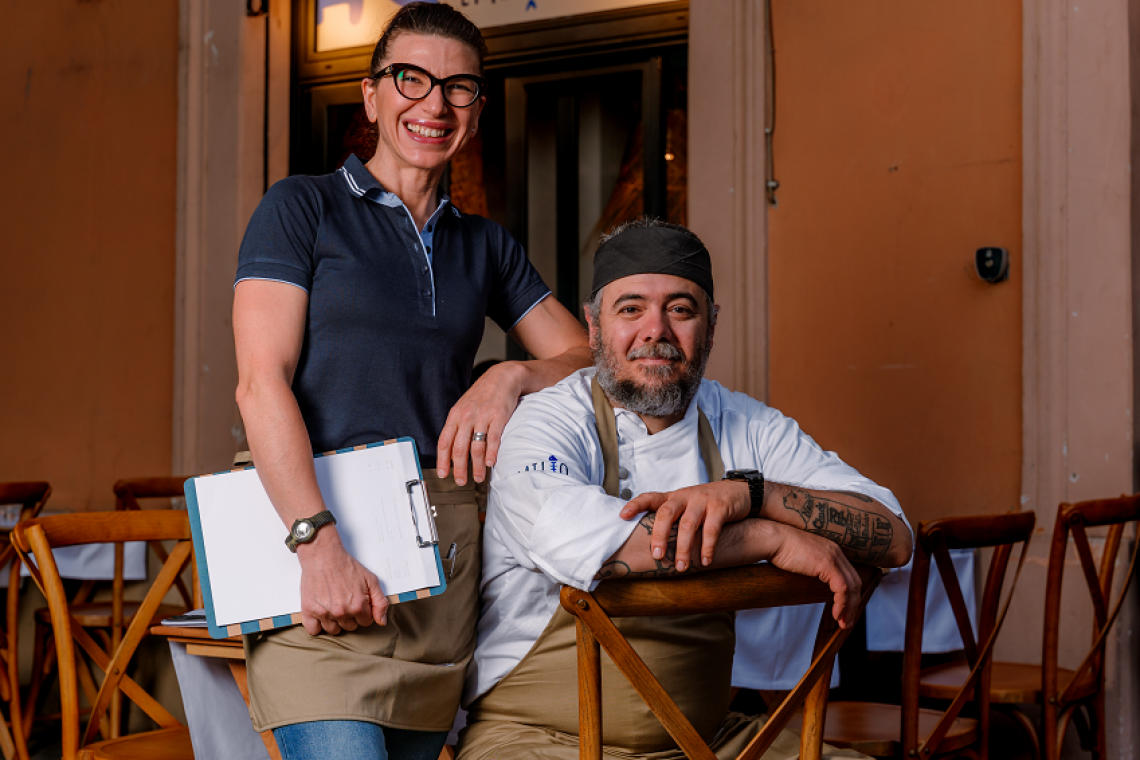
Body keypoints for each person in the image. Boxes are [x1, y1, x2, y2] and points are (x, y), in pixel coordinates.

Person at [231, 4, 591, 759]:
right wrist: (316, 544)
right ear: (372, 95)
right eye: (411, 79)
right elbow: (260, 384)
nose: (434, 104)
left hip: (434, 571)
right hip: (317, 562)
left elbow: (590, 358)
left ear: (477, 110)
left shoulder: (486, 246)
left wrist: (509, 377)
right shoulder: (301, 208)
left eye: (458, 88)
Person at [458, 219, 913, 760]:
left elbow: (893, 533)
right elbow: (584, 538)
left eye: (680, 308)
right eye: (631, 309)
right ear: (594, 327)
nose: (656, 330)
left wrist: (753, 493)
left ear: (711, 325)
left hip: (707, 740)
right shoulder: (546, 421)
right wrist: (769, 538)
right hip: (538, 739)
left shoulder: (745, 424)